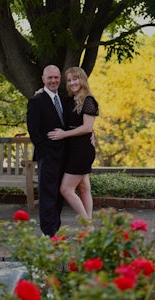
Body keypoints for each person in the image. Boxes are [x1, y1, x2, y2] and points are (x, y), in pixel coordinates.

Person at [48, 67, 99, 220]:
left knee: (66, 189)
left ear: (82, 79)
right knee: (83, 188)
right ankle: (89, 229)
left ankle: (87, 226)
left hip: (82, 150)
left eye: (75, 79)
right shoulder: (70, 100)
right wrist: (41, 93)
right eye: (69, 80)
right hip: (72, 149)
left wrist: (64, 134)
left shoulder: (88, 100)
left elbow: (87, 127)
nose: (72, 83)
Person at [27, 65, 66, 237]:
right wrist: (44, 152)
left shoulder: (64, 100)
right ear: (43, 79)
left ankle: (55, 228)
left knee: (60, 194)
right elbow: (33, 131)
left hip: (66, 155)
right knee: (47, 194)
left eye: (56, 77)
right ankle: (47, 232)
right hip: (47, 156)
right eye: (50, 77)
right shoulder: (36, 101)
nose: (53, 80)